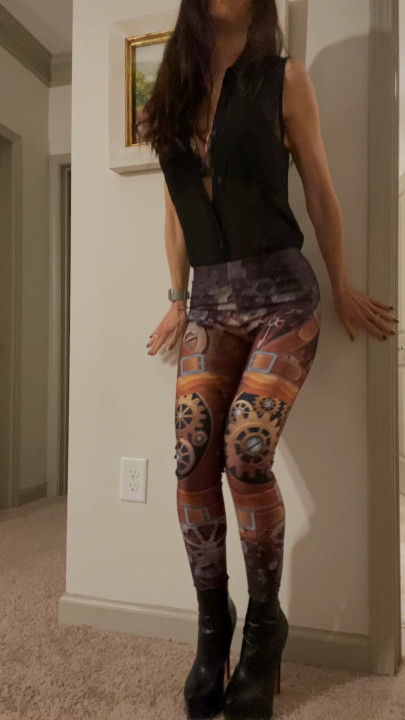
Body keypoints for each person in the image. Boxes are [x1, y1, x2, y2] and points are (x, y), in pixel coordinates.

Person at [138, 1, 399, 718]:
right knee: (191, 456)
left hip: (283, 296)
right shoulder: (170, 90)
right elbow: (175, 207)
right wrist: (176, 297)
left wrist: (340, 282)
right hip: (210, 303)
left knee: (245, 452)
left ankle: (262, 630)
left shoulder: (284, 79)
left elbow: (318, 188)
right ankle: (212, 624)